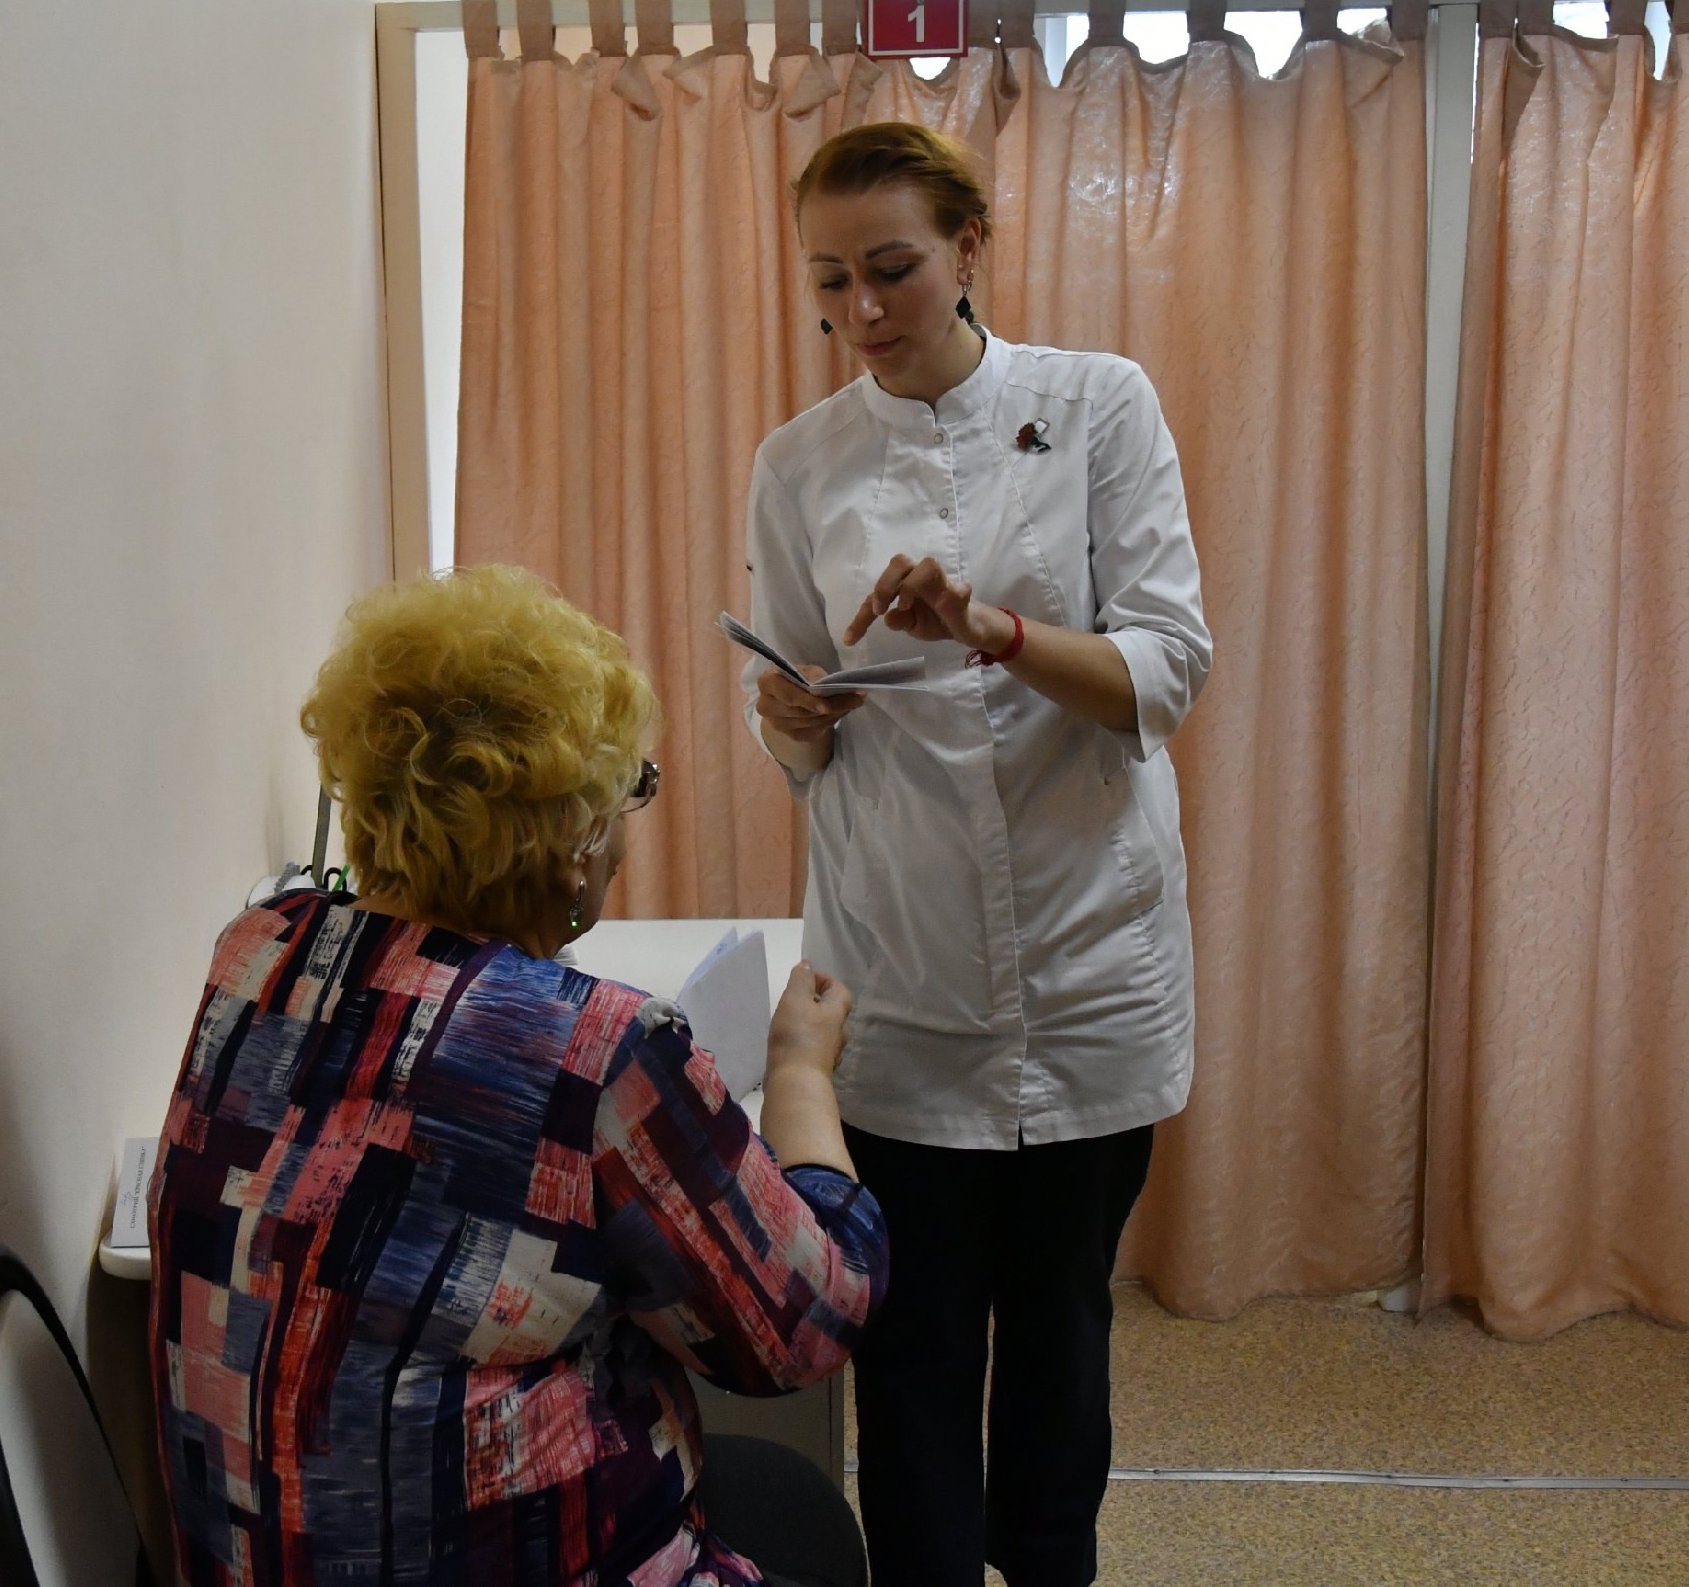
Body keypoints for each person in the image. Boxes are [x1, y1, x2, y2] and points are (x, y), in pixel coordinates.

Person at [149, 565, 888, 1587]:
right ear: (576, 837)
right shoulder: (595, 1049)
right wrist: (801, 1075)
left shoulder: (260, 950)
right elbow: (802, 1326)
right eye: (632, 790)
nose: (627, 833)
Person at [739, 122, 1212, 1587]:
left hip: (1088, 962)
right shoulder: (798, 463)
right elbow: (799, 716)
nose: (863, 308)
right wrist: (790, 715)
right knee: (915, 1348)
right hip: (903, 972)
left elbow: (1166, 668)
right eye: (830, 280)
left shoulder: (1097, 405)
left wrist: (990, 628)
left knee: (1062, 1336)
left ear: (969, 247)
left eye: (891, 267)